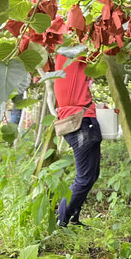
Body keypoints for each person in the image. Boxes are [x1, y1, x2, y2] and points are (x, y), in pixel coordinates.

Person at [53, 53, 101, 228]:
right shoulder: (73, 53)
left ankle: (72, 218)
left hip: (82, 121)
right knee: (84, 178)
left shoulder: (67, 58)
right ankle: (60, 221)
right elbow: (100, 50)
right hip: (80, 123)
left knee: (92, 175)